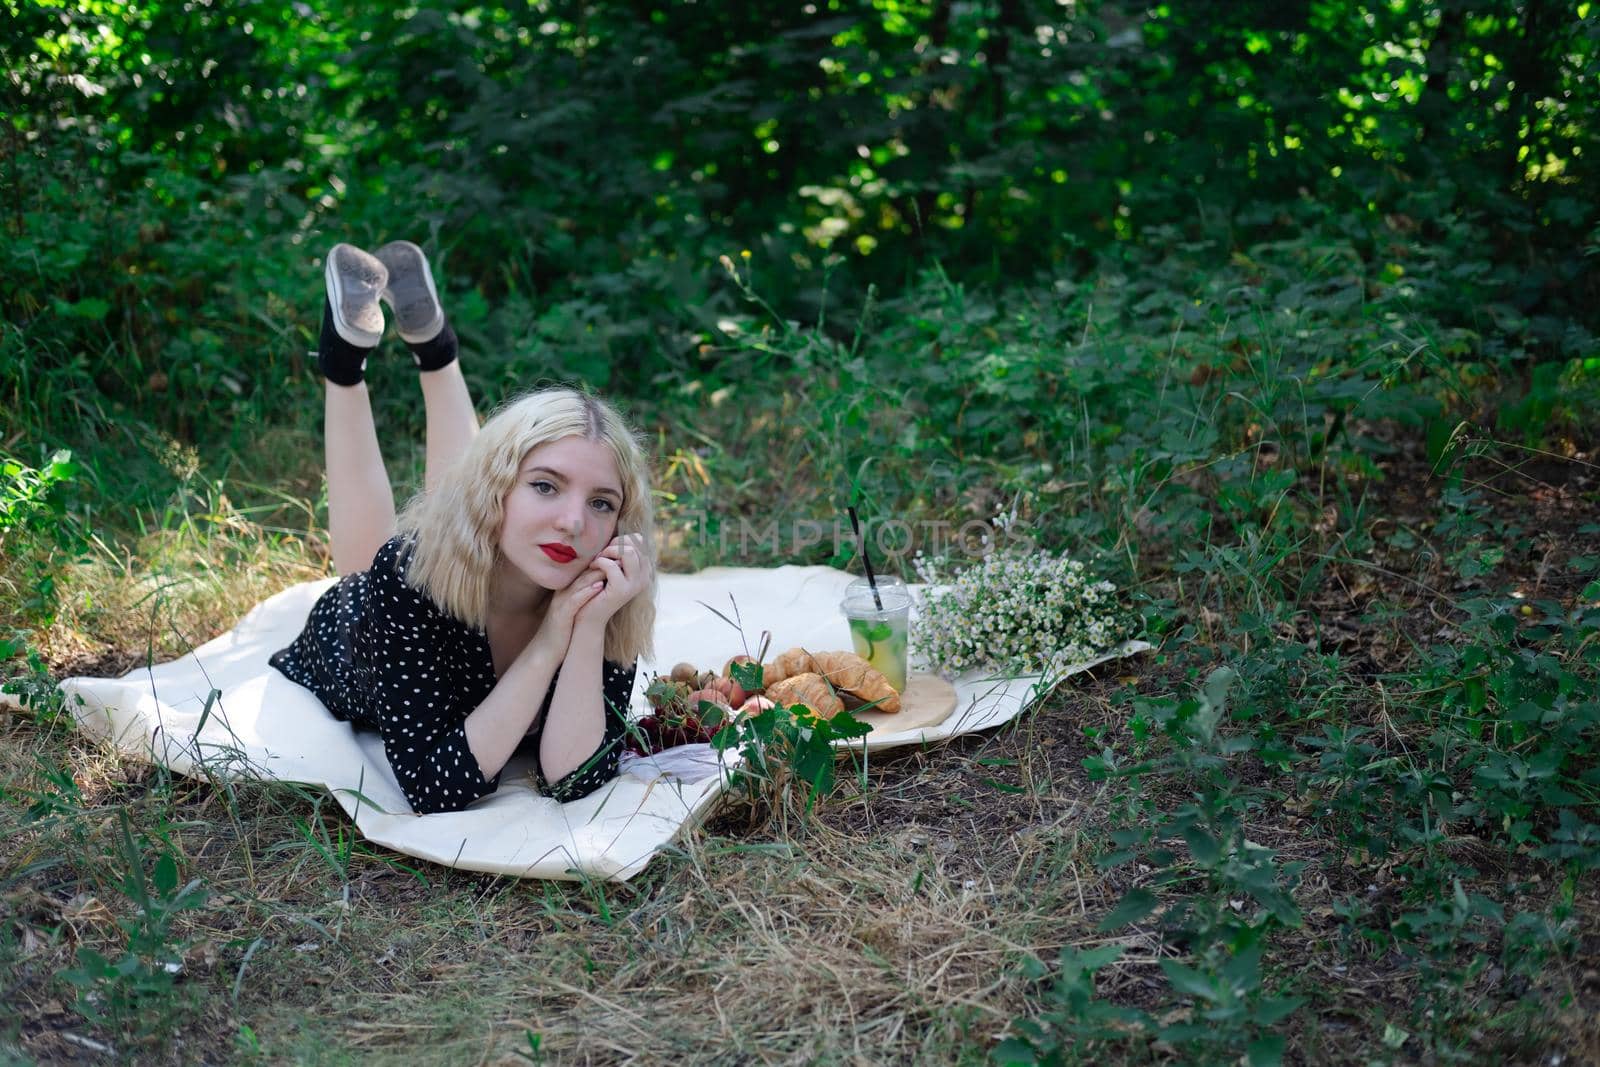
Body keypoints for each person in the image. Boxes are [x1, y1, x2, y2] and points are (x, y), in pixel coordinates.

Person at [269, 241, 655, 813]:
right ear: (504, 489)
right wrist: (551, 639)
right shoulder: (405, 581)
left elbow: (575, 781)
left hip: (463, 559)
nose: (573, 521)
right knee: (391, 553)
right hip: (354, 630)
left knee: (458, 515)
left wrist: (589, 624)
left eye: (602, 503)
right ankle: (344, 363)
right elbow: (433, 790)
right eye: (545, 486)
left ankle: (434, 347)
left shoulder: (606, 588)